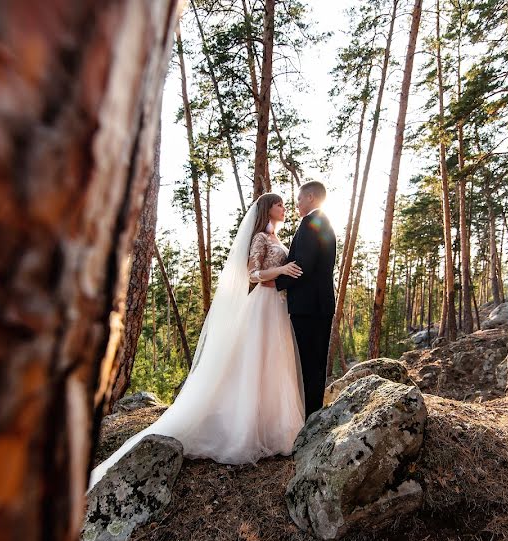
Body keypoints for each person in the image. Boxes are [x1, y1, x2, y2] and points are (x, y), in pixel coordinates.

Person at [89, 193, 304, 489]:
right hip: (261, 306)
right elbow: (252, 274)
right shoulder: (259, 238)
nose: (284, 207)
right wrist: (281, 270)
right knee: (254, 364)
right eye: (279, 204)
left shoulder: (276, 238)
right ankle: (243, 430)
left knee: (274, 366)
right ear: (269, 208)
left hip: (277, 307)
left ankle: (273, 428)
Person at [275, 180, 336, 418]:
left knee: (308, 364)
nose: (297, 204)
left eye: (299, 199)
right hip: (318, 305)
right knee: (315, 363)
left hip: (309, 307)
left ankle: (309, 418)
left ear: (310, 197)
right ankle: (312, 414)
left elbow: (303, 265)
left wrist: (276, 283)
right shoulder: (322, 222)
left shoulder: (312, 223)